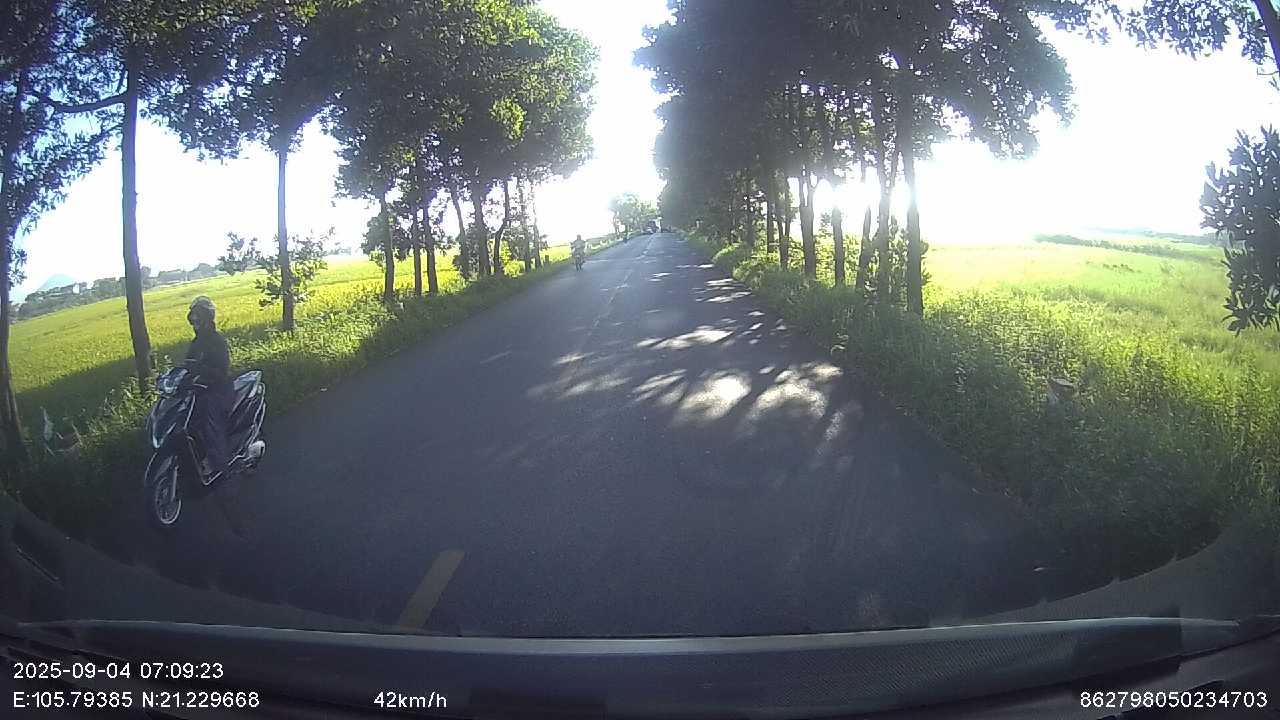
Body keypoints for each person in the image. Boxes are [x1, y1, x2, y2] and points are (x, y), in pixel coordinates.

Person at [185, 295, 234, 479]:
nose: (195, 322)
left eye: (198, 318)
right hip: (201, 388)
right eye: (193, 319)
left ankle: (219, 463)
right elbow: (188, 364)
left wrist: (204, 371)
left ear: (207, 319)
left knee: (209, 416)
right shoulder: (196, 343)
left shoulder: (217, 341)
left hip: (219, 389)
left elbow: (222, 371)